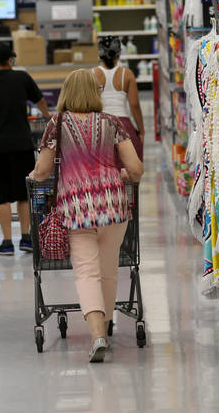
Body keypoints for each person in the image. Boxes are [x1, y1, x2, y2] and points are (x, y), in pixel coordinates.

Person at [29, 69, 143, 363]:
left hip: (76, 210)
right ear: (96, 93)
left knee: (86, 273)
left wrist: (31, 176)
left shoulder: (58, 123)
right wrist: (118, 173)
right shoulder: (112, 123)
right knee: (108, 272)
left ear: (67, 92)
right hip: (114, 207)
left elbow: (42, 171)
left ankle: (97, 336)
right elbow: (136, 169)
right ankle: (104, 328)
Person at [0, 42, 51, 256]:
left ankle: (6, 243)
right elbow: (40, 101)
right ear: (10, 60)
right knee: (23, 194)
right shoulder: (22, 78)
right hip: (21, 144)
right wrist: (48, 117)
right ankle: (26, 238)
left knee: (1, 196)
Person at [91, 37, 144, 160]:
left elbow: (87, 105)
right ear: (119, 54)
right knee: (129, 169)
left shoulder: (91, 75)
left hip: (100, 125)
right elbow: (134, 105)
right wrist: (141, 131)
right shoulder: (127, 74)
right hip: (123, 125)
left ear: (99, 54)